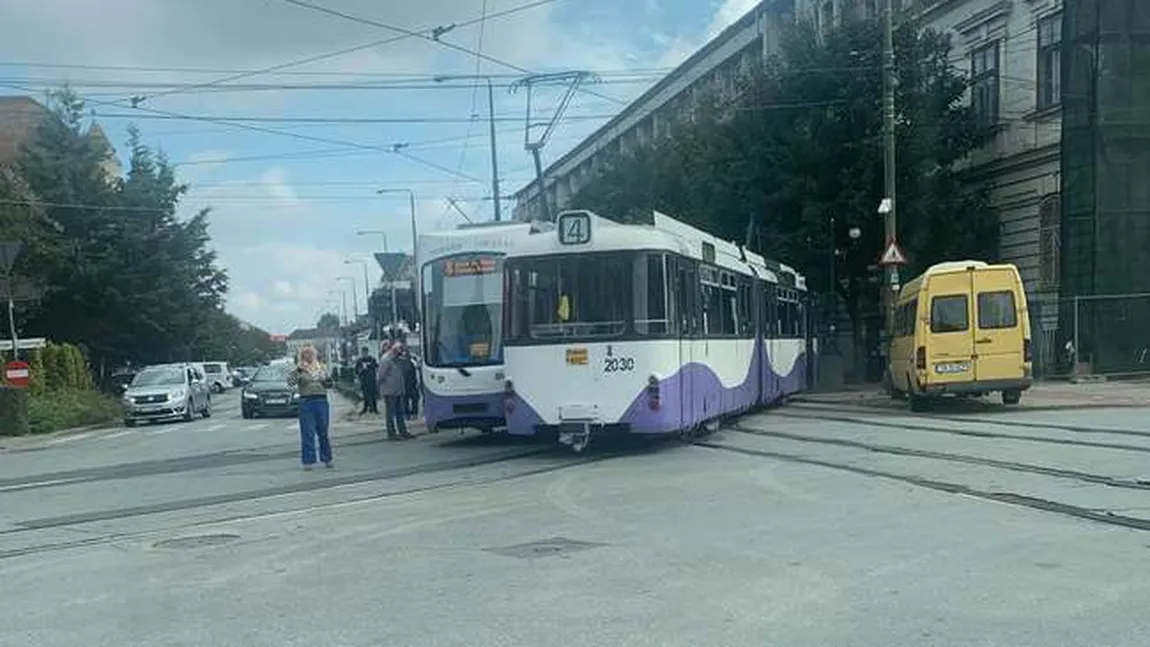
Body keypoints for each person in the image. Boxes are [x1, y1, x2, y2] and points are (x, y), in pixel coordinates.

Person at [286, 345, 334, 470]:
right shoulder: (299, 369)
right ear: (302, 356)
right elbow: (290, 382)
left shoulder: (321, 367)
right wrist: (298, 371)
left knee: (323, 431)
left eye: (310, 354)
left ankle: (327, 458)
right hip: (306, 401)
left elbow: (330, 384)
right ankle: (308, 461)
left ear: (314, 355)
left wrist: (325, 379)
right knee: (308, 432)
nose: (308, 356)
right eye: (305, 354)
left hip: (321, 400)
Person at [377, 343, 413, 441]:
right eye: (398, 353)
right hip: (389, 391)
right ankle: (391, 433)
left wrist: (407, 357)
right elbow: (381, 376)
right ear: (394, 351)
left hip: (398, 390)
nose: (399, 355)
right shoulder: (386, 360)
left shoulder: (398, 361)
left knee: (399, 412)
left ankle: (403, 431)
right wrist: (379, 389)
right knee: (390, 413)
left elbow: (407, 368)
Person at [354, 346, 379, 415]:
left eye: (366, 352)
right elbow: (356, 371)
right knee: (365, 395)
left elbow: (376, 367)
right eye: (363, 353)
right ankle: (365, 408)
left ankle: (374, 408)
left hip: (372, 380)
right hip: (364, 381)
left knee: (373, 395)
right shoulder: (359, 361)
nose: (365, 354)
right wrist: (361, 370)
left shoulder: (372, 359)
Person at [399, 346, 420, 421]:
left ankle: (411, 414)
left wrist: (417, 382)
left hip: (411, 383)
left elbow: (416, 372)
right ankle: (409, 414)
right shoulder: (401, 362)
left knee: (411, 399)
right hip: (407, 383)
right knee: (406, 400)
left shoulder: (412, 361)